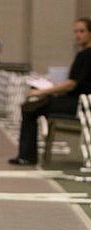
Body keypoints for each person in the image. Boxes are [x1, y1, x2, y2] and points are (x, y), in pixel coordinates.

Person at [9, 18, 91, 166]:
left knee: (29, 108)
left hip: (79, 105)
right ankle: (27, 154)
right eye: (75, 32)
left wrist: (43, 91)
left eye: (82, 31)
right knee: (35, 106)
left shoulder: (85, 55)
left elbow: (72, 84)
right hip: (78, 102)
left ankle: (27, 156)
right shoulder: (84, 55)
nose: (78, 35)